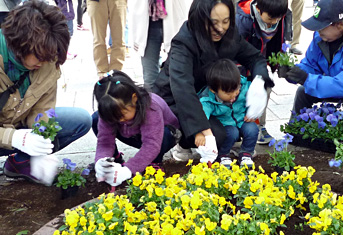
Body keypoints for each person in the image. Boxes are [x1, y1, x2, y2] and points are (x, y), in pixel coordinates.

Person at [153, 0, 274, 162]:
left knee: (228, 126)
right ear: (199, 18)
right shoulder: (184, 42)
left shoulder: (229, 35)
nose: (220, 28)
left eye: (226, 21)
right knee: (217, 135)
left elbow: (255, 58)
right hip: (177, 101)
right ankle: (183, 142)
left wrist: (259, 81)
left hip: (211, 96)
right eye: (213, 22)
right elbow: (183, 89)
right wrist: (203, 131)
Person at [1, 0, 92, 185]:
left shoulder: (47, 59)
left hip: (19, 124)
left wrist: (40, 147)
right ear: (20, 44)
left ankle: (20, 163)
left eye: (48, 57)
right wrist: (14, 138)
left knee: (79, 120)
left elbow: (43, 109)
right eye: (40, 56)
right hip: (7, 133)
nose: (43, 63)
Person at [92, 70, 179, 187]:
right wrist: (101, 161)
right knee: (96, 118)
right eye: (115, 117)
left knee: (164, 135)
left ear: (134, 98)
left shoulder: (151, 106)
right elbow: (105, 141)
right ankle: (114, 159)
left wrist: (129, 169)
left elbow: (152, 145)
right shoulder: (109, 109)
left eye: (123, 114)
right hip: (133, 135)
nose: (119, 120)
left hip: (163, 137)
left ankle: (155, 162)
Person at [236, 0, 291, 144]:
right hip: (243, 62)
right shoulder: (244, 19)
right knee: (241, 93)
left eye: (278, 18)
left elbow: (280, 39)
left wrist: (277, 61)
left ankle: (260, 126)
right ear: (258, 9)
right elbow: (237, 49)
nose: (274, 22)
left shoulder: (279, 16)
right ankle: (238, 127)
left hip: (262, 58)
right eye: (270, 18)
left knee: (264, 90)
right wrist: (244, 72)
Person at [285, 0, 343, 113]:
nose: (317, 30)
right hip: (332, 86)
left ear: (340, 25)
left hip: (339, 87)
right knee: (303, 92)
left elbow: (340, 85)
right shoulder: (320, 38)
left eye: (321, 26)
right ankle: (294, 130)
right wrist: (293, 73)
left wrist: (306, 79)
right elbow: (311, 65)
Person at [198, 59, 258, 167]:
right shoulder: (208, 100)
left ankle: (246, 153)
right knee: (231, 133)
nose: (234, 94)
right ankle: (223, 154)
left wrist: (252, 112)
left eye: (236, 88)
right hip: (225, 124)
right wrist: (200, 133)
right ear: (213, 90)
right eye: (228, 92)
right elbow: (202, 117)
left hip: (241, 119)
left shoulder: (245, 86)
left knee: (252, 129)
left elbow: (255, 100)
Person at [130, 0, 192, 91]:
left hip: (174, 19)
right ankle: (152, 103)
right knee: (150, 78)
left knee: (178, 73)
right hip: (147, 25)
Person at [87, 0, 127, 79]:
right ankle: (102, 72)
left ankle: (116, 71)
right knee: (98, 40)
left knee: (119, 39)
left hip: (118, 1)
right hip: (96, 2)